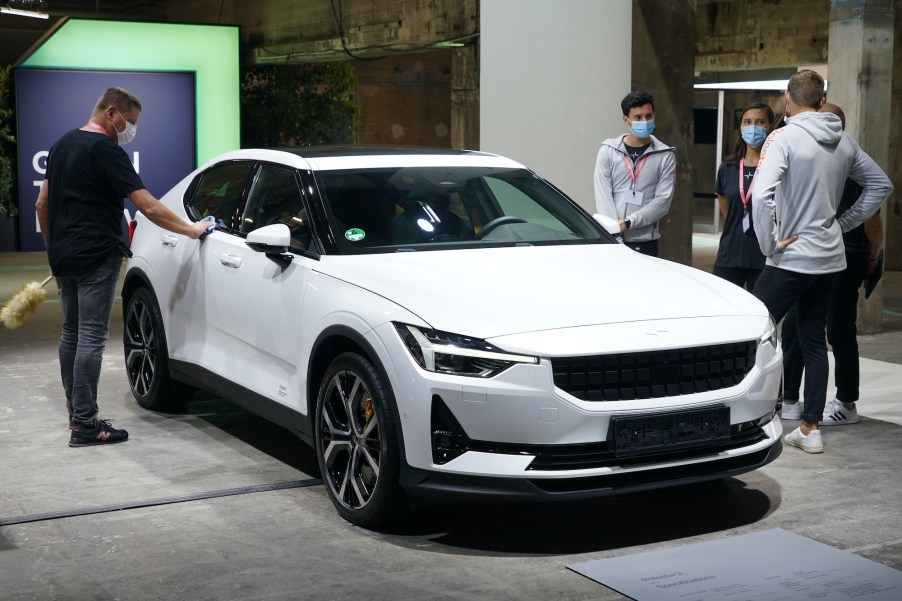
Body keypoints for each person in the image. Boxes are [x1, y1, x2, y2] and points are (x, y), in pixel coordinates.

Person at [34, 87, 209, 448]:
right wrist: (192, 229)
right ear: (112, 113)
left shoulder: (62, 144)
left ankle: (77, 417)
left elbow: (41, 204)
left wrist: (54, 250)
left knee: (71, 334)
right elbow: (149, 207)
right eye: (130, 122)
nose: (130, 130)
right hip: (96, 255)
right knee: (91, 338)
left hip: (64, 255)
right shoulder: (108, 151)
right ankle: (86, 425)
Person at [750, 70, 892, 454]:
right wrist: (841, 223)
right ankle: (810, 428)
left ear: (787, 98)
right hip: (830, 258)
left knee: (750, 329)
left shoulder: (783, 137)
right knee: (814, 341)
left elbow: (760, 194)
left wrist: (770, 243)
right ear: (821, 99)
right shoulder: (844, 141)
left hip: (791, 256)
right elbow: (881, 185)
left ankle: (742, 414)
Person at [780, 102, 886, 426]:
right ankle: (789, 399)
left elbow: (874, 217)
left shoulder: (847, 157)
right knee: (802, 328)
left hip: (842, 257)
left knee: (835, 329)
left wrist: (868, 255)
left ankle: (845, 402)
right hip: (817, 254)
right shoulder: (821, 157)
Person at [594, 91, 676, 257]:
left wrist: (628, 223)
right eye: (638, 117)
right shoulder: (608, 152)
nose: (644, 121)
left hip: (645, 242)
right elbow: (603, 195)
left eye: (649, 116)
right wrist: (614, 231)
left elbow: (662, 201)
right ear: (626, 120)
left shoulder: (665, 155)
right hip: (611, 239)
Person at [712, 102, 773, 290]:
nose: (753, 127)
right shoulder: (727, 168)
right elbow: (726, 206)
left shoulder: (776, 169)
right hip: (730, 254)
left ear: (770, 126)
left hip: (764, 256)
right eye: (747, 122)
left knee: (761, 312)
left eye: (760, 121)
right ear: (740, 127)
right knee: (723, 310)